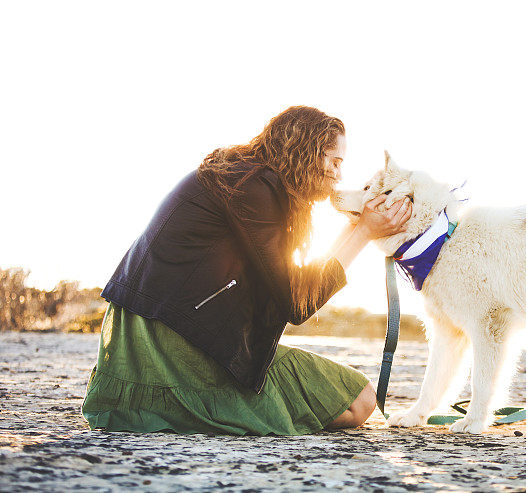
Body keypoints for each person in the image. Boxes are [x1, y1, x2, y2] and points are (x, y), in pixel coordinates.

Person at [81, 106, 412, 435]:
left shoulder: (243, 177)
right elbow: (296, 302)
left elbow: (294, 285)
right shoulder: (256, 190)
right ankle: (196, 407)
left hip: (151, 329)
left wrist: (358, 228)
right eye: (335, 162)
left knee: (348, 396)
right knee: (360, 400)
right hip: (174, 341)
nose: (339, 174)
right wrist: (365, 233)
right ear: (307, 152)